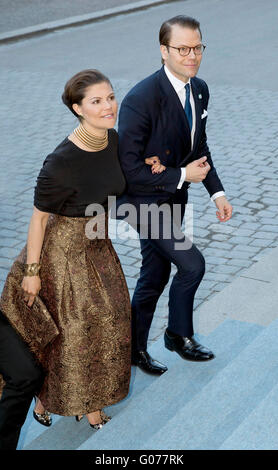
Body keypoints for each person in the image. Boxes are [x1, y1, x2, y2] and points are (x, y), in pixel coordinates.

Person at [0, 69, 132, 448]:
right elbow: (39, 218)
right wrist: (32, 272)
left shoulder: (112, 140)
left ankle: (85, 398)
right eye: (96, 101)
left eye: (110, 97)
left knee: (110, 320)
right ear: (78, 108)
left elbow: (121, 183)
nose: (108, 106)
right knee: (72, 333)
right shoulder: (61, 161)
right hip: (63, 254)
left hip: (97, 244)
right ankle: (59, 400)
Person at [117, 15, 233, 375]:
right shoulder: (141, 98)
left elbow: (200, 147)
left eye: (197, 47)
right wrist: (183, 174)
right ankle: (177, 335)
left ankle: (134, 350)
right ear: (163, 50)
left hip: (172, 200)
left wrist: (217, 192)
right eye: (182, 48)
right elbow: (130, 169)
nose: (192, 55)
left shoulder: (199, 89)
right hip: (141, 203)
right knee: (192, 264)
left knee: (154, 274)